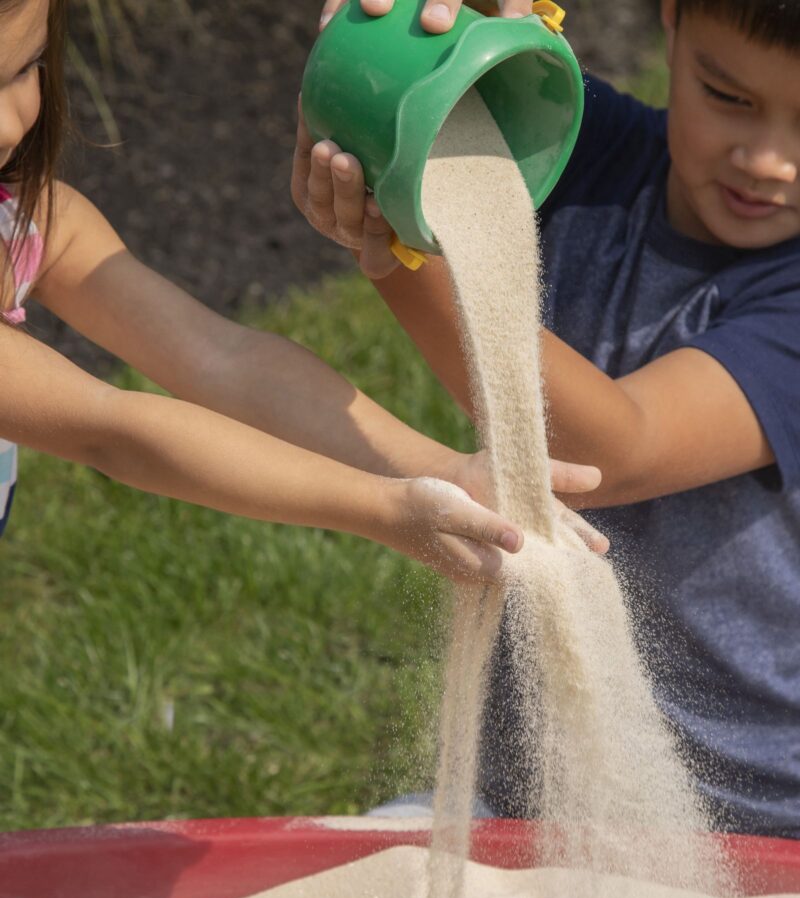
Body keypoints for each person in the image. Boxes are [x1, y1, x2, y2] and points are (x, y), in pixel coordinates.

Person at [298, 0, 800, 837]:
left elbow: (615, 447)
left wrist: (392, 252)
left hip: (753, 823)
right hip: (526, 782)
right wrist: (397, 52)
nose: (768, 159)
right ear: (670, 22)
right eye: (728, 97)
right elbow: (391, 99)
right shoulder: (573, 136)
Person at [0, 0, 610, 585]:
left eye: (24, 69)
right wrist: (382, 508)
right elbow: (107, 428)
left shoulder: (34, 222)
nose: (8, 123)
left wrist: (442, 471)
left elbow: (224, 361)